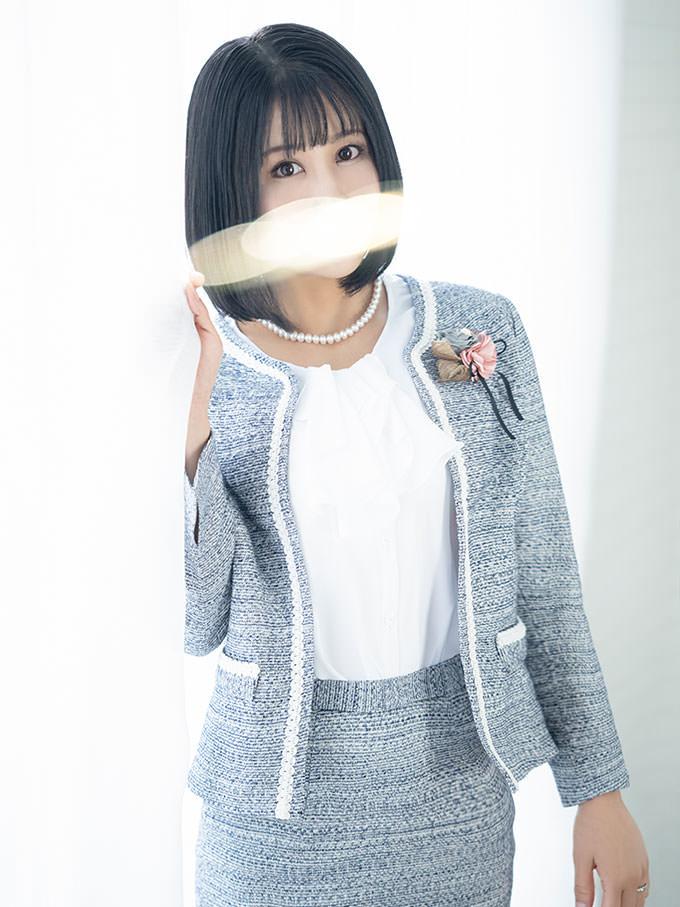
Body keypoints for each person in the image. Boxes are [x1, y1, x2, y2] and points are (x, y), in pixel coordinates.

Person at [182, 22, 650, 907]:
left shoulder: (478, 329)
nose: (330, 191)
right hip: (272, 824)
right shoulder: (207, 365)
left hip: (458, 801)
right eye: (287, 167)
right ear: (233, 187)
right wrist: (195, 433)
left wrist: (599, 788)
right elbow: (194, 618)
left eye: (348, 151)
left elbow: (545, 577)